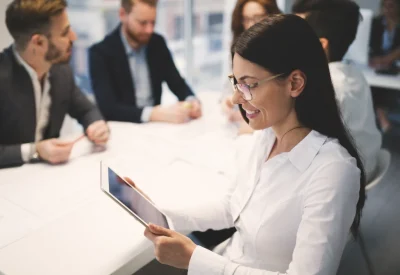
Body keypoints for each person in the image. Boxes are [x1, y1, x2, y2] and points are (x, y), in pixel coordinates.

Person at [127, 14, 366, 274]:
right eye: (236, 82)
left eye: (249, 85)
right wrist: (161, 214)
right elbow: (235, 205)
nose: (235, 98)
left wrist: (195, 260)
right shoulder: (266, 136)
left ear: (295, 83)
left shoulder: (333, 172)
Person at [0, 0, 109, 169]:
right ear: (38, 42)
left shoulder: (60, 70)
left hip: (50, 178)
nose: (74, 37)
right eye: (65, 33)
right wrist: (35, 150)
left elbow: (86, 109)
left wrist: (96, 125)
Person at [292, 0, 382, 181]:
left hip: (343, 177)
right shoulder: (353, 74)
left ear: (321, 45)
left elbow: (300, 152)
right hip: (367, 164)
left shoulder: (325, 87)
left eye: (296, 35)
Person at [89, 0, 201, 124]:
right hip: (122, 129)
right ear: (122, 14)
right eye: (142, 23)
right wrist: (151, 114)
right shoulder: (100, 53)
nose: (149, 30)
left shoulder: (157, 43)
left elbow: (177, 83)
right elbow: (108, 109)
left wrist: (191, 100)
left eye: (153, 22)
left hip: (155, 128)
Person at [221, 0, 281, 135]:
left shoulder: (281, 52)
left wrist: (254, 122)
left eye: (258, 17)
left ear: (272, 15)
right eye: (246, 19)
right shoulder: (238, 52)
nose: (251, 25)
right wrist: (228, 102)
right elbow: (228, 89)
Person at [369, 0, 400, 132]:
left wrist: (389, 58)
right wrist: (378, 59)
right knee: (375, 84)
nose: (387, 10)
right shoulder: (376, 22)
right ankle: (383, 118)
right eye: (385, 6)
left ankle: (382, 118)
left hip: (396, 65)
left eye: (391, 6)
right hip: (379, 64)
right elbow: (371, 45)